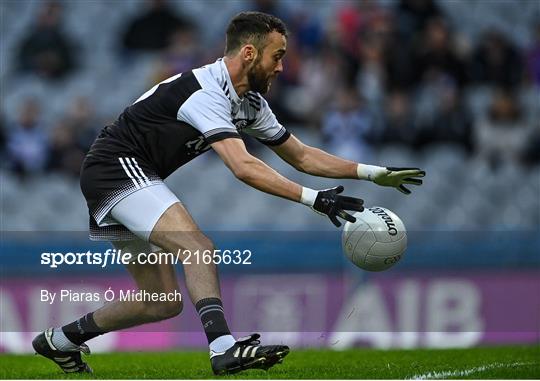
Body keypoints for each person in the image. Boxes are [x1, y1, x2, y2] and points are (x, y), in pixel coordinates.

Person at [32, 11, 425, 375]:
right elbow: (242, 166)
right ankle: (223, 348)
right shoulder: (205, 93)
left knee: (163, 302)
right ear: (250, 53)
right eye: (277, 56)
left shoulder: (250, 104)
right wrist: (314, 199)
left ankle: (60, 340)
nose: (282, 67)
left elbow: (302, 156)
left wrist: (376, 173)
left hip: (122, 174)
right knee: (198, 246)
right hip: (115, 167)